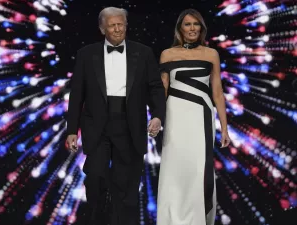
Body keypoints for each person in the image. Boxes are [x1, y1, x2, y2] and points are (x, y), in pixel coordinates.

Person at [65, 7, 166, 225]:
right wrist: (72, 130)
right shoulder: (86, 54)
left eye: (121, 24)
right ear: (103, 29)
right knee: (95, 178)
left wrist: (158, 115)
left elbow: (155, 88)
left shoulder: (144, 52)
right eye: (112, 25)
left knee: (127, 186)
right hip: (97, 125)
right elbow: (76, 95)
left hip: (130, 125)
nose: (118, 29)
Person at [156, 9, 231, 225]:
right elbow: (163, 90)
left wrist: (224, 128)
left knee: (199, 168)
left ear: (201, 28)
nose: (192, 28)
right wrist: (157, 118)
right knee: (175, 166)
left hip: (201, 115)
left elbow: (217, 92)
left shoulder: (211, 54)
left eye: (196, 24)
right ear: (180, 28)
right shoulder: (167, 54)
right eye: (187, 24)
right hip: (175, 115)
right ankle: (172, 219)